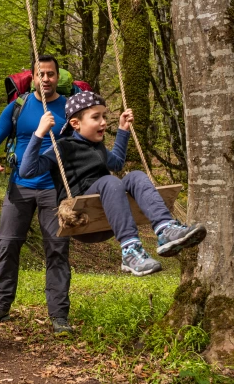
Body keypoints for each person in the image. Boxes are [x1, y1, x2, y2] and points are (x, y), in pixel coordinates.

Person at [20, 91, 207, 277]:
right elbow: (27, 171)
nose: (103, 122)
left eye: (104, 116)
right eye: (96, 117)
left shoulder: (97, 147)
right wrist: (39, 133)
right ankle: (130, 251)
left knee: (135, 176)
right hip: (82, 218)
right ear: (75, 124)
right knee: (110, 181)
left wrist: (123, 130)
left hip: (107, 218)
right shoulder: (63, 147)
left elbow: (116, 163)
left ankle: (165, 229)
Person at [0, 55, 73, 335]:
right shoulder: (18, 107)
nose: (46, 79)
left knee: (57, 250)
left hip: (52, 190)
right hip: (19, 186)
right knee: (7, 245)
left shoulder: (69, 109)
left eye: (51, 74)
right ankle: (0, 306)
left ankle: (59, 317)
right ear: (32, 77)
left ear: (58, 77)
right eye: (40, 74)